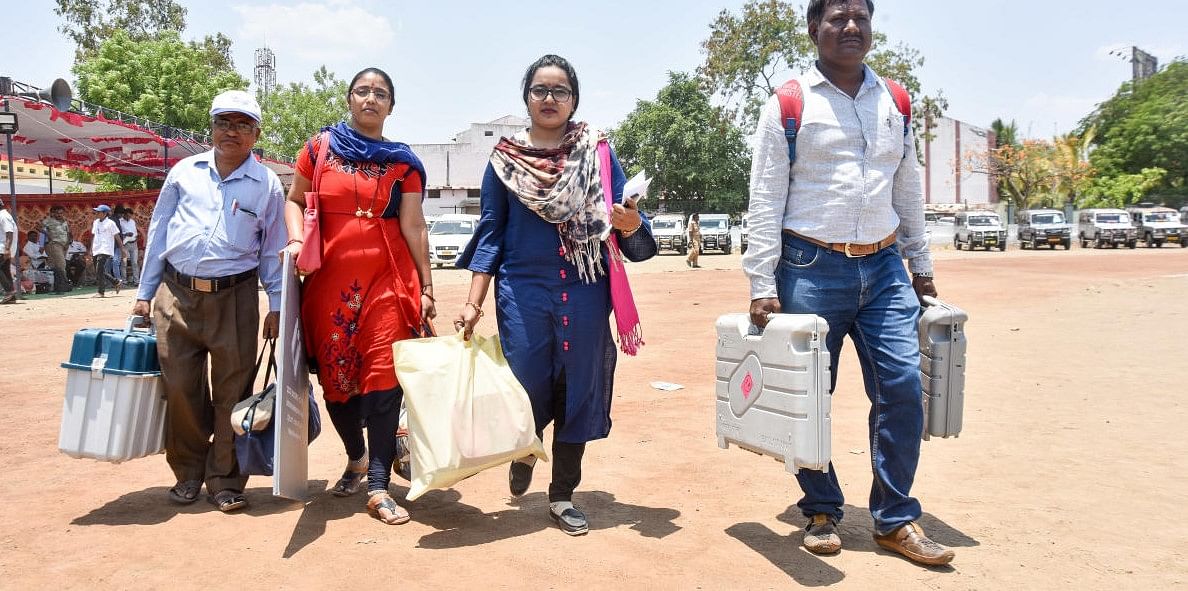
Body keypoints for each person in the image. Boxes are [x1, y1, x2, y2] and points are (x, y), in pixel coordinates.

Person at [741, 0, 953, 566]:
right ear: (815, 29)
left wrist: (921, 265)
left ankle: (894, 517)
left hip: (884, 269)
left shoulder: (896, 101)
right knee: (810, 396)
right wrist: (762, 280)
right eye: (838, 18)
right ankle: (820, 509)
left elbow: (906, 188)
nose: (851, 27)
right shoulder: (789, 103)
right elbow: (765, 199)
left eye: (860, 17)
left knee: (903, 387)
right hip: (809, 266)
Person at [455, 54, 656, 536]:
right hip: (522, 291)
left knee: (578, 390)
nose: (549, 99)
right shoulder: (504, 160)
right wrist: (473, 300)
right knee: (526, 384)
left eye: (559, 91)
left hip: (586, 289)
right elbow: (491, 234)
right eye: (540, 90)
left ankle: (563, 494)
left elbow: (628, 222)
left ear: (574, 99)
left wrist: (631, 223)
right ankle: (526, 447)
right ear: (526, 97)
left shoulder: (598, 152)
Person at [282, 67, 434, 526]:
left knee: (384, 381)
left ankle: (379, 485)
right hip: (329, 281)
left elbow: (414, 226)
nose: (371, 98)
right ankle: (357, 455)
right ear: (349, 99)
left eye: (381, 93)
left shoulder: (404, 162)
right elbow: (293, 200)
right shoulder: (318, 148)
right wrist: (294, 240)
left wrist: (425, 288)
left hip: (389, 276)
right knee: (337, 382)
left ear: (391, 105)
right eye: (363, 91)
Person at [131, 90, 286, 513]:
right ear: (211, 128)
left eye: (241, 125)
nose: (230, 132)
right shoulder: (184, 172)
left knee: (233, 392)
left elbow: (272, 249)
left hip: (235, 298)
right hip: (175, 295)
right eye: (223, 122)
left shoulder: (267, 184)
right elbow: (159, 232)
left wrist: (276, 304)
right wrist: (144, 295)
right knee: (180, 389)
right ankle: (188, 473)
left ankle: (226, 480)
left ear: (256, 134)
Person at [89, 204, 123, 298]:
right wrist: (90, 249)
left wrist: (122, 249)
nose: (97, 213)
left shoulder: (111, 223)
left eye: (99, 212)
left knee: (99, 269)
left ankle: (101, 292)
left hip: (106, 248)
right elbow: (94, 235)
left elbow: (117, 236)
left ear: (105, 213)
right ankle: (116, 282)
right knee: (99, 271)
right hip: (96, 248)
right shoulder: (96, 222)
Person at [42, 205, 72, 292]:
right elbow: (38, 227)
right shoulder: (48, 221)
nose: (59, 215)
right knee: (62, 264)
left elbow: (68, 233)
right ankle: (64, 283)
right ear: (53, 213)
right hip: (55, 244)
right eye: (57, 213)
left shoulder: (65, 222)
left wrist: (68, 242)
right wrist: (47, 234)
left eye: (61, 213)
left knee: (58, 265)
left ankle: (58, 285)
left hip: (64, 245)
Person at [116, 205, 140, 285]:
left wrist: (136, 236)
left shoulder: (132, 221)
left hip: (134, 244)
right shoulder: (120, 221)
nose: (129, 217)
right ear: (124, 214)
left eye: (130, 216)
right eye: (128, 216)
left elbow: (135, 231)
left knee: (135, 263)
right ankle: (124, 280)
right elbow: (117, 233)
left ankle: (136, 281)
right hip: (125, 244)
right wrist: (126, 234)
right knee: (124, 262)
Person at [0, 198, 15, 304]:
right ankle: (11, 296)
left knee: (4, 270)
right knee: (5, 271)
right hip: (3, 247)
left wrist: (7, 249)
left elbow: (9, 232)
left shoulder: (3, 216)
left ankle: (9, 291)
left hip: (2, 248)